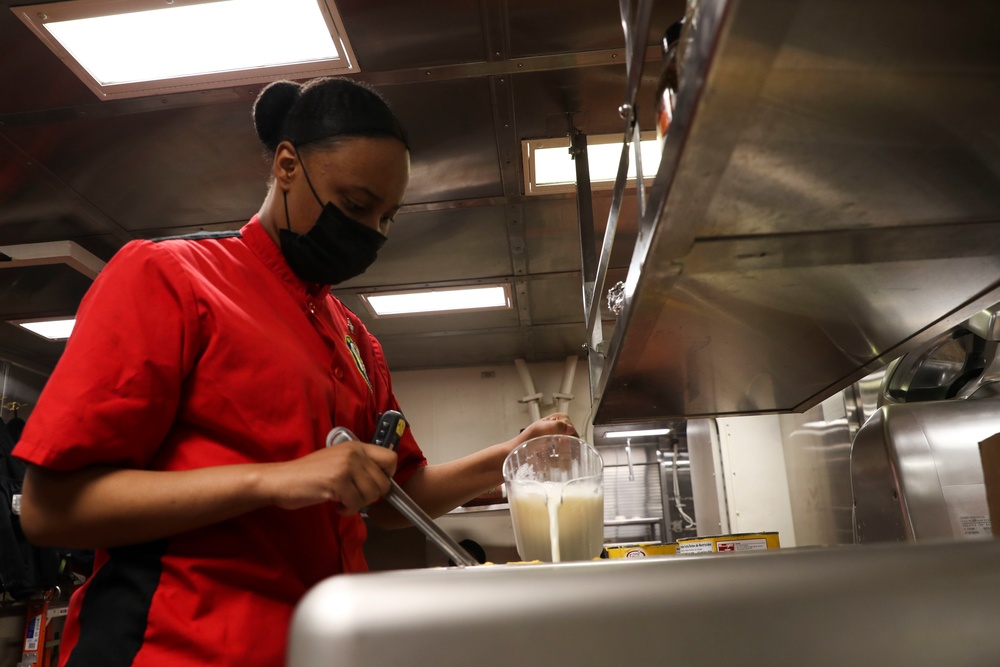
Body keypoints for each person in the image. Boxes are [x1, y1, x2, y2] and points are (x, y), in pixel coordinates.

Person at [13, 76, 577, 667]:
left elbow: (392, 499)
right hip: (175, 648)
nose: (371, 233)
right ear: (286, 165)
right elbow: (53, 509)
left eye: (387, 218)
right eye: (357, 206)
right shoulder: (171, 279)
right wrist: (279, 479)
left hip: (318, 650)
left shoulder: (355, 340)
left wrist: (515, 453)